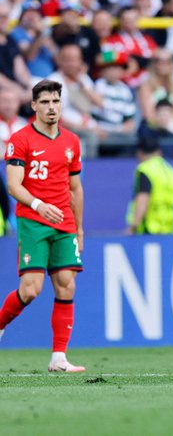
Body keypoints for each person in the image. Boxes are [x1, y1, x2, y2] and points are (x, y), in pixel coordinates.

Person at [0, 79, 86, 372]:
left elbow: (76, 188)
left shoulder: (72, 141)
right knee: (31, 289)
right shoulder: (20, 140)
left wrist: (79, 229)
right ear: (34, 105)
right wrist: (38, 205)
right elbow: (13, 185)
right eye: (45, 102)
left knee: (66, 284)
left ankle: (59, 357)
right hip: (34, 221)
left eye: (56, 101)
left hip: (64, 222)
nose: (51, 107)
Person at [126, 136, 173, 235]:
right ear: (159, 152)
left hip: (149, 229)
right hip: (170, 229)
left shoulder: (146, 169)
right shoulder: (172, 172)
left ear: (139, 153)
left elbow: (143, 199)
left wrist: (133, 226)